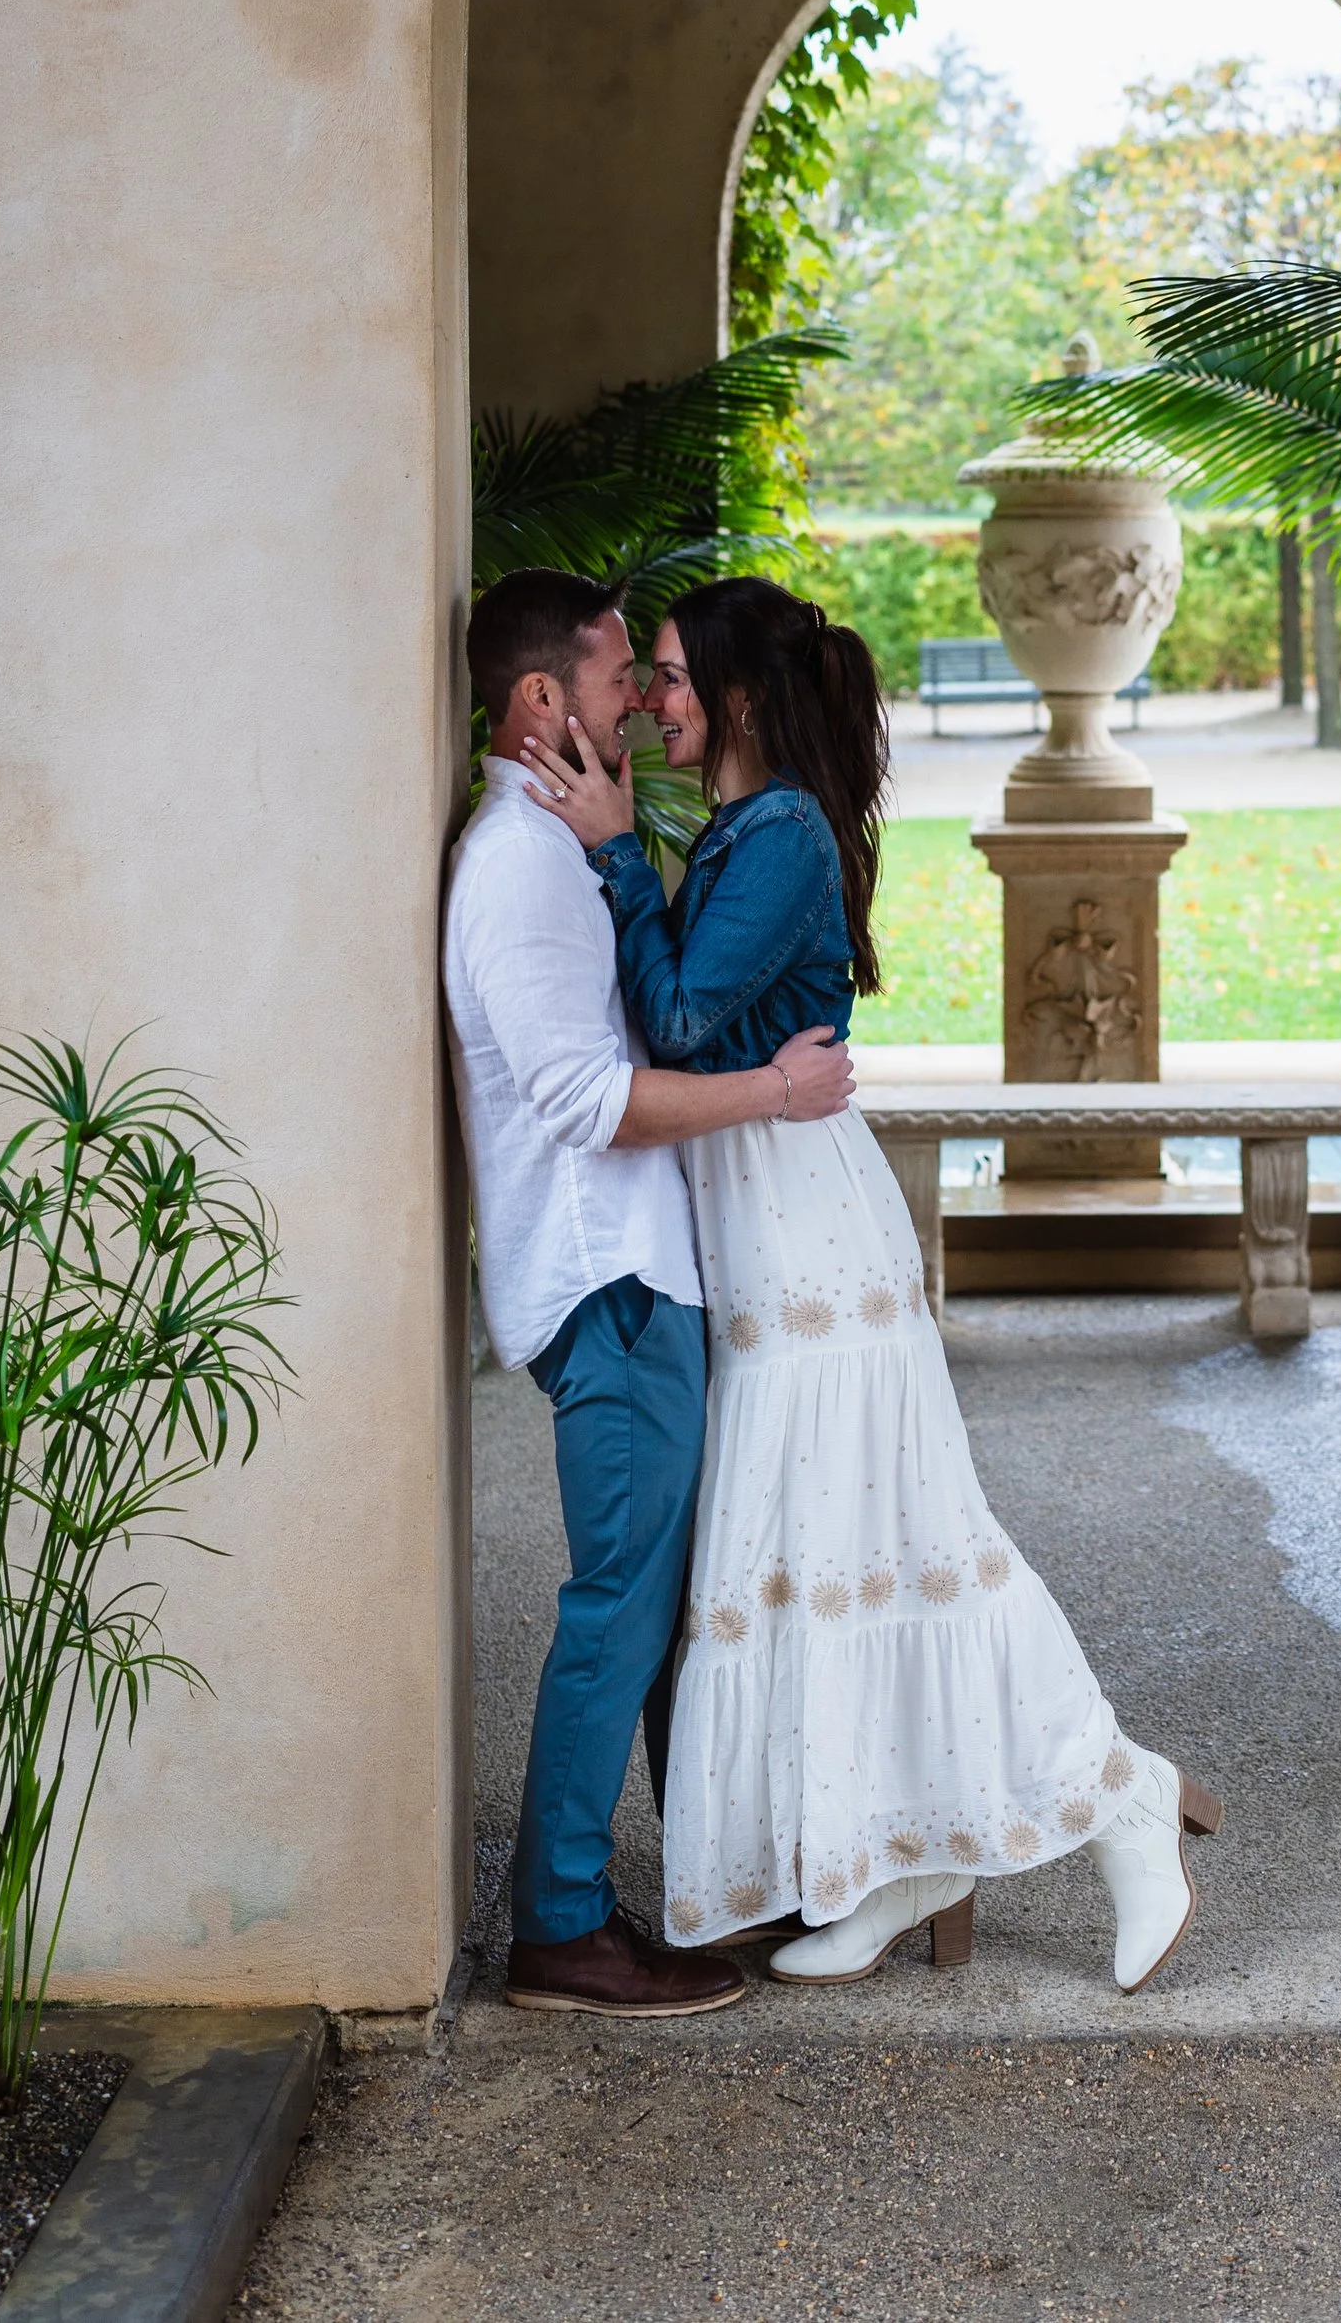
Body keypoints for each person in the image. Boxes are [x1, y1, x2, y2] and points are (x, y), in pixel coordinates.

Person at [521, 574, 1223, 1992]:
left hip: (813, 1241)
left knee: (914, 1542)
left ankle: (1123, 1793)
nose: (652, 700)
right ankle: (899, 1861)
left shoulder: (776, 835)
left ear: (740, 697)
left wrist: (607, 853)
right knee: (818, 1565)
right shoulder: (740, 828)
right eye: (645, 674)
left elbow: (674, 1014)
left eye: (669, 676)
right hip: (760, 1225)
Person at [445, 569, 857, 2019]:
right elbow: (582, 1095)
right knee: (620, 1602)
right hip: (610, 1286)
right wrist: (776, 1088)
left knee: (669, 1600)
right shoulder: (520, 860)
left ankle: (717, 1879)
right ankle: (558, 1925)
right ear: (543, 699)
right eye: (623, 673)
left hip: (647, 1276)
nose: (640, 698)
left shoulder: (562, 846)